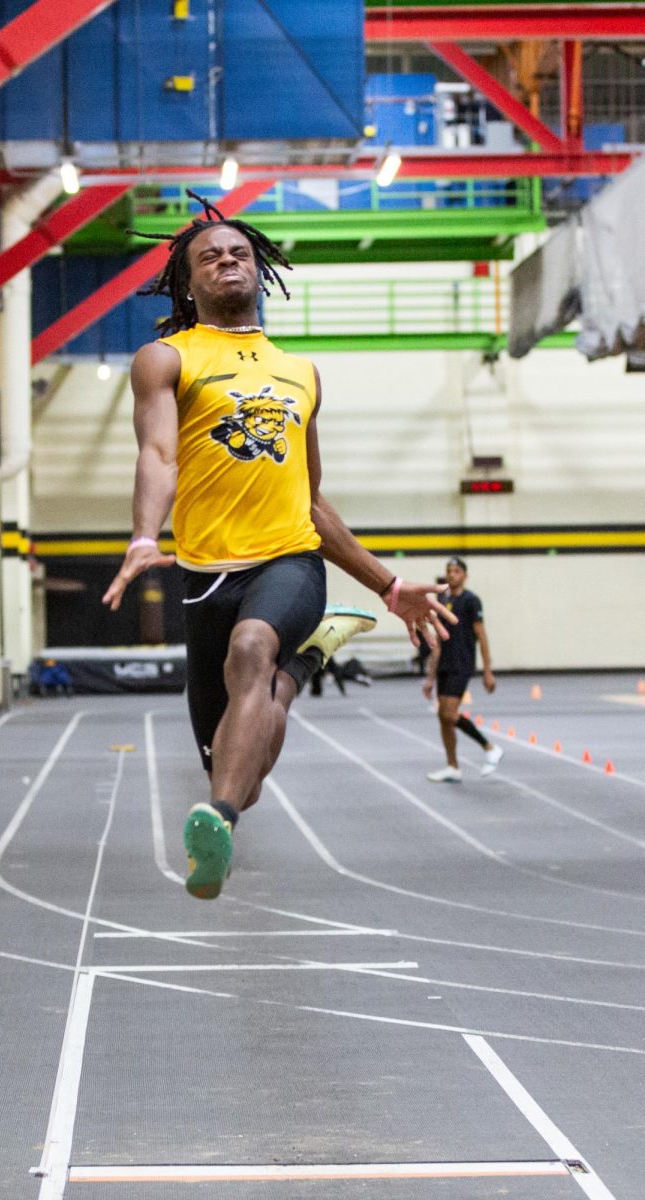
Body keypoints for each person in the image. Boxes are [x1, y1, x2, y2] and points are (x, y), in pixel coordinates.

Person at [103, 191, 456, 899]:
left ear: (258, 269)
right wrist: (144, 534)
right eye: (210, 257)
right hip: (207, 574)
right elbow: (158, 455)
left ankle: (217, 818)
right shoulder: (166, 359)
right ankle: (303, 668)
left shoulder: (301, 374)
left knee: (250, 652)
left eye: (238, 252)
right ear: (189, 280)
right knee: (245, 764)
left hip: (287, 559)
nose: (227, 261)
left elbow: (310, 501)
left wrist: (386, 585)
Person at [423, 556, 503, 782]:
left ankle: (489, 748)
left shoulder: (471, 601)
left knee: (449, 713)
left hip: (462, 663)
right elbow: (437, 640)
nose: (451, 574)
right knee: (442, 716)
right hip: (444, 664)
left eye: (456, 571)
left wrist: (488, 671)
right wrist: (430, 677)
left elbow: (482, 636)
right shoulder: (442, 600)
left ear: (464, 575)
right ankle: (452, 766)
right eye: (449, 570)